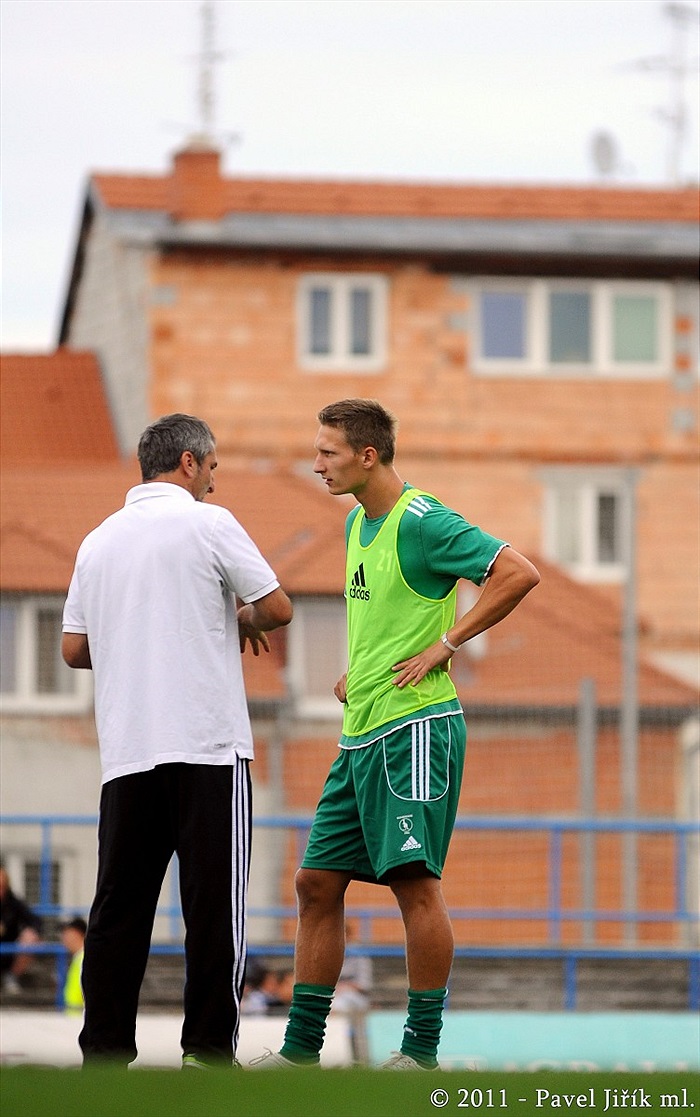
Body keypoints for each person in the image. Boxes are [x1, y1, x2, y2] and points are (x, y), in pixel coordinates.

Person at [251, 398, 539, 1071]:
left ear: (368, 455)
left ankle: (419, 1050)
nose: (316, 462)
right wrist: (361, 669)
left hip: (416, 728)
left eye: (327, 451)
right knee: (315, 882)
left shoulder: (423, 520)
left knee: (414, 884)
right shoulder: (357, 523)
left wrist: (448, 643)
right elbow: (389, 613)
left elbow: (517, 571)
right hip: (362, 733)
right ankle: (299, 1054)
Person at [62, 413, 293, 1069]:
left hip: (129, 752)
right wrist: (239, 615)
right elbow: (277, 607)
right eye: (213, 467)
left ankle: (104, 1053)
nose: (214, 482)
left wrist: (132, 639)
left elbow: (74, 647)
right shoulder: (208, 524)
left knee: (117, 912)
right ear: (189, 463)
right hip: (207, 748)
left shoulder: (97, 541)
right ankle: (207, 1053)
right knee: (214, 911)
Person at [0, 865, 43, 996]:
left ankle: (11, 976)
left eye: (2, 886)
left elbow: (36, 922)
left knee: (32, 937)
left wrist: (29, 932)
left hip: (10, 955)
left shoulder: (13, 903)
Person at [60, 916, 87, 1015]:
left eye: (67, 932)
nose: (63, 937)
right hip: (74, 1018)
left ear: (77, 933)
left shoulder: (85, 960)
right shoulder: (78, 959)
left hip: (79, 1018)